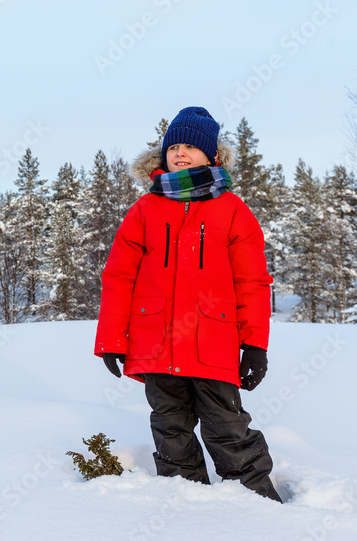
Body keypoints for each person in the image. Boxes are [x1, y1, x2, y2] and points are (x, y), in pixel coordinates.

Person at [94, 106, 282, 503]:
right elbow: (118, 277)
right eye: (173, 146)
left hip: (213, 342)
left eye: (191, 147)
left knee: (227, 429)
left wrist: (256, 344)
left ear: (211, 155)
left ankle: (261, 509)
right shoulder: (144, 210)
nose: (180, 153)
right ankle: (186, 508)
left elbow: (251, 282)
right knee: (170, 430)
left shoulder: (233, 211)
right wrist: (111, 339)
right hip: (155, 344)